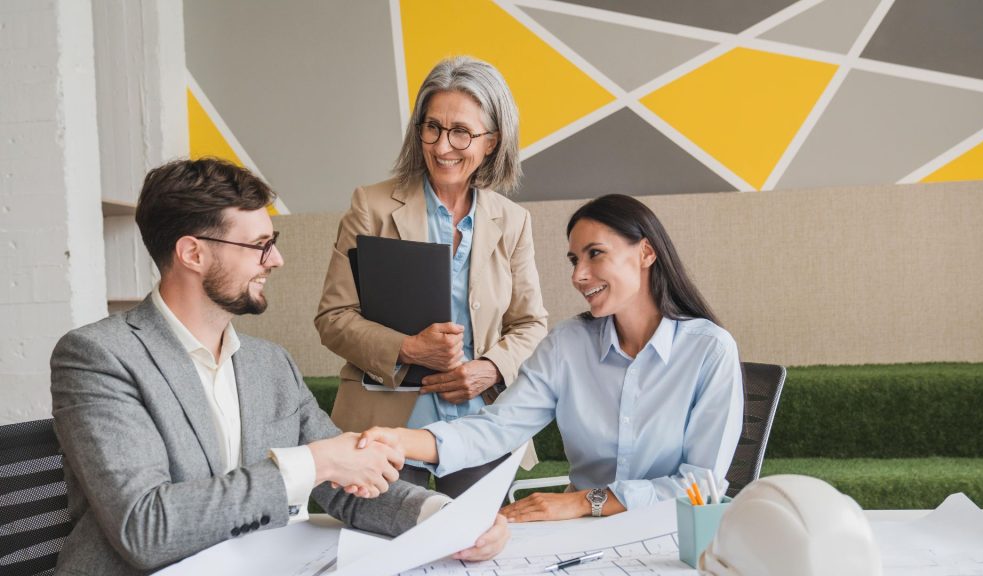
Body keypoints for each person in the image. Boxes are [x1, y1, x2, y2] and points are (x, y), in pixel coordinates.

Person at [49, 158, 507, 576]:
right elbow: (146, 528)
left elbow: (346, 481)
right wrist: (312, 462)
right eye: (259, 245)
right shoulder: (98, 357)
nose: (276, 260)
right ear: (193, 253)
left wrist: (444, 518)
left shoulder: (269, 364)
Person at [358, 194, 745, 522]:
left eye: (595, 255)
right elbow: (498, 428)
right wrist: (396, 439)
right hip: (582, 535)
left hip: (668, 536)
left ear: (645, 252)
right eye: (574, 260)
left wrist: (584, 501)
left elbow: (699, 486)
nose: (579, 275)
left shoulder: (709, 349)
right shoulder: (568, 344)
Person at [315, 56, 547, 497]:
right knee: (388, 552)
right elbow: (333, 317)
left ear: (492, 141)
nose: (443, 146)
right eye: (432, 128)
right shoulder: (372, 206)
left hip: (481, 423)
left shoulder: (513, 221)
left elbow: (531, 325)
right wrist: (408, 348)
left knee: (478, 551)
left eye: (461, 131)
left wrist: (489, 368)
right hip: (383, 424)